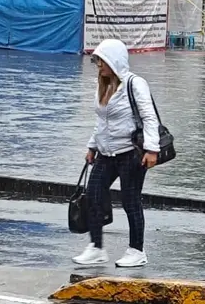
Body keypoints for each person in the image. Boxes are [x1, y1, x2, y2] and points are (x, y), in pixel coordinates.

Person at [72, 39, 160, 267]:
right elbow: (101, 122)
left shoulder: (135, 84)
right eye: (97, 61)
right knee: (92, 194)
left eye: (101, 61)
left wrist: (152, 149)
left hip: (131, 153)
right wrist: (92, 146)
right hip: (106, 153)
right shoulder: (103, 85)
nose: (98, 65)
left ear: (114, 61)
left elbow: (150, 118)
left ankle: (136, 250)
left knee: (130, 201)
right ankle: (96, 247)